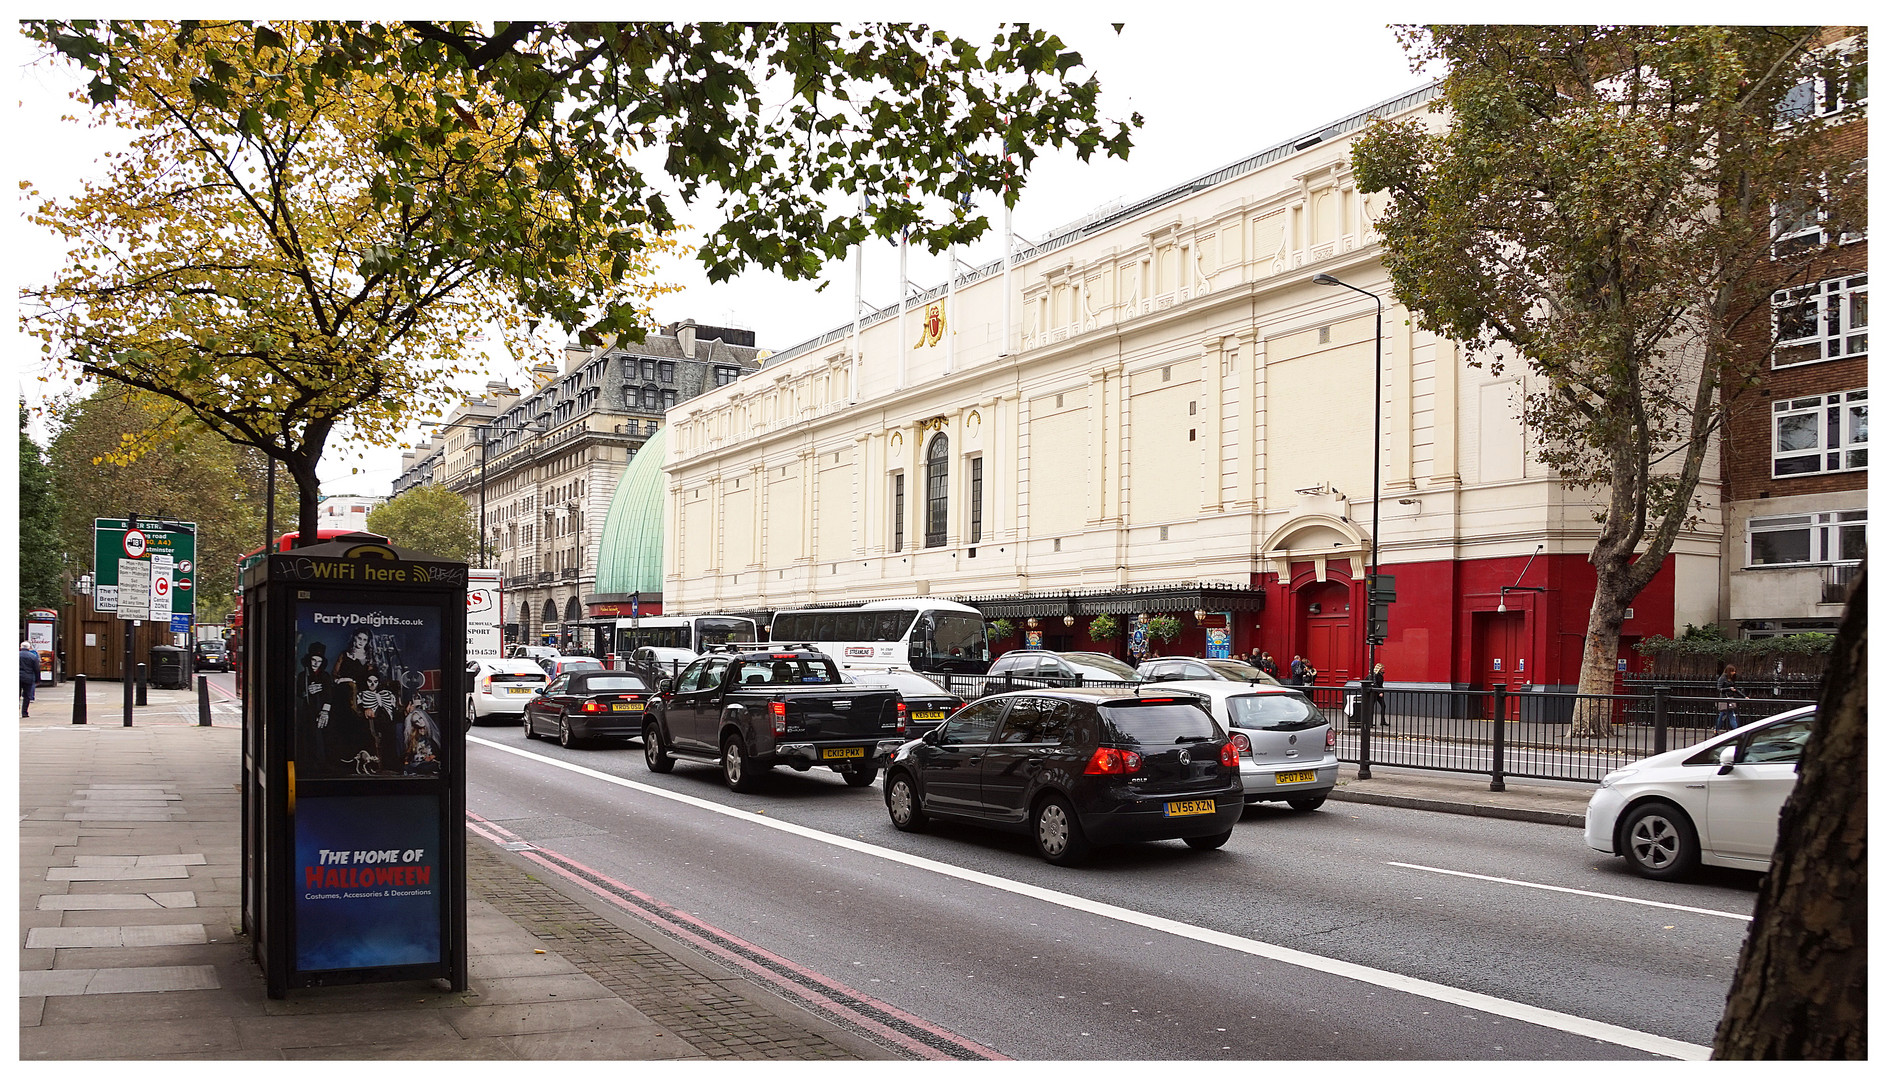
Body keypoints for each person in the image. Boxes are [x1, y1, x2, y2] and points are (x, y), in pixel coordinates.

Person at [1714, 663, 1748, 732]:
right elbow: (1719, 689)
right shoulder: (1723, 678)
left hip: (1730, 698)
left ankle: (1716, 730)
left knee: (1722, 716)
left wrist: (1744, 696)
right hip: (1725, 699)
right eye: (1732, 671)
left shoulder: (1731, 679)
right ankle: (1736, 731)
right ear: (1729, 671)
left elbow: (1735, 689)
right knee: (1731, 715)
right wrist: (1729, 689)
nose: (1734, 673)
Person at [20, 642, 41, 718]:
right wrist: (38, 679)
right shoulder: (32, 657)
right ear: (29, 648)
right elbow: (37, 669)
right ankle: (24, 712)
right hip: (28, 678)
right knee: (27, 696)